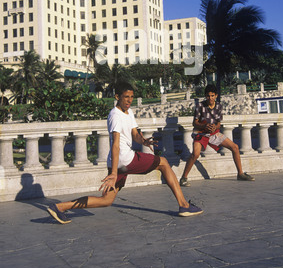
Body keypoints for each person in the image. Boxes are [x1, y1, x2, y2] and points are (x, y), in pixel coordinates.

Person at [47, 81, 203, 224]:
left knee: (106, 200)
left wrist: (143, 141)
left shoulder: (129, 112)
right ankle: (183, 205)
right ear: (117, 97)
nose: (129, 100)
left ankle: (60, 207)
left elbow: (134, 134)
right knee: (163, 163)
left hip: (118, 162)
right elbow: (115, 144)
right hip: (124, 159)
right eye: (126, 97)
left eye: (131, 97)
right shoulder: (115, 115)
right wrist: (114, 173)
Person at [180, 84, 254, 187]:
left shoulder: (219, 106)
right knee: (195, 154)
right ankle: (184, 177)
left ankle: (240, 173)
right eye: (208, 96)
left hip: (213, 133)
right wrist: (205, 125)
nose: (210, 98)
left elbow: (219, 122)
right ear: (205, 96)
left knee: (235, 147)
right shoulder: (200, 106)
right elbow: (195, 123)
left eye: (212, 96)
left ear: (216, 96)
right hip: (200, 133)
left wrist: (215, 127)